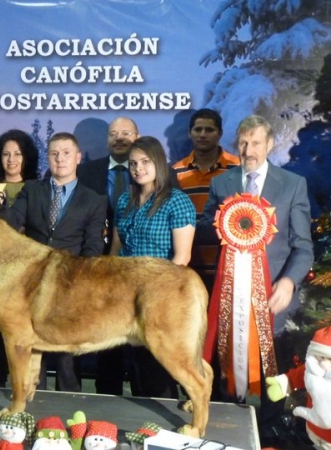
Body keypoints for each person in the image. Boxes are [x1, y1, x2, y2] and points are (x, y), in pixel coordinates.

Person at [199, 115, 314, 444]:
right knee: (225, 374)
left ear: (270, 144)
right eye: (244, 143)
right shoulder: (223, 183)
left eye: (256, 143)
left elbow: (303, 247)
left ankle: (267, 440)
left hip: (273, 301)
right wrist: (225, 222)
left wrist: (290, 281)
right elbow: (208, 225)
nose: (249, 150)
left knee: (271, 381)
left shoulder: (293, 184)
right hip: (228, 298)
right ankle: (222, 437)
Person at [0, 131, 107, 392]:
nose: (60, 158)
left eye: (66, 153)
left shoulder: (94, 199)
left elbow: (93, 245)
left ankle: (69, 410)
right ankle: (33, 404)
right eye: (54, 153)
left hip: (70, 286)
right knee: (33, 349)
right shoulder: (31, 190)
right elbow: (9, 225)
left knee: (67, 357)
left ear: (78, 158)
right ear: (48, 158)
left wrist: (80, 280)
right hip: (31, 286)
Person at [77, 117, 178, 395]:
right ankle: (108, 413)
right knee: (109, 349)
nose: (119, 138)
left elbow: (181, 252)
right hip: (112, 274)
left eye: (125, 133)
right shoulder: (89, 174)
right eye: (113, 134)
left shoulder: (172, 192)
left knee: (152, 358)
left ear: (137, 136)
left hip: (156, 286)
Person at [110, 136, 196, 399]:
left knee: (161, 361)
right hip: (125, 294)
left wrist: (156, 294)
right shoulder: (125, 200)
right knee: (137, 365)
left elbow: (182, 258)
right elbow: (115, 248)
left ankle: (165, 425)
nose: (138, 169)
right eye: (133, 164)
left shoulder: (177, 201)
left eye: (145, 162)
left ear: (158, 162)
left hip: (160, 294)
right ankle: (143, 425)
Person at [0, 129, 39, 387]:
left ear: (26, 157)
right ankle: (0, 382)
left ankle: (31, 383)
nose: (12, 159)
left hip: (29, 273)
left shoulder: (38, 189)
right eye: (6, 154)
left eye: (17, 154)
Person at [172, 108, 240, 294]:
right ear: (190, 133)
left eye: (209, 130)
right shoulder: (175, 172)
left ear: (220, 133)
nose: (202, 135)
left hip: (228, 267)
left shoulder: (237, 169)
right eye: (198, 129)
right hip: (187, 268)